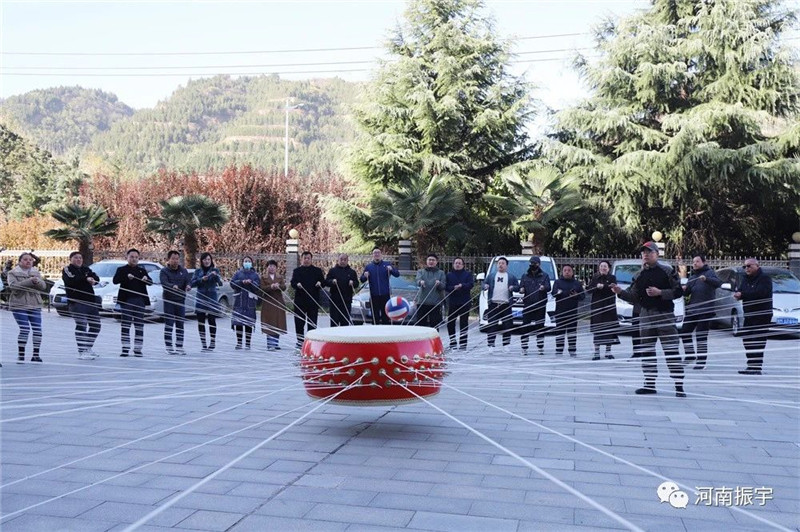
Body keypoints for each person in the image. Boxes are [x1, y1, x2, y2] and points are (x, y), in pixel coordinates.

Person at [612, 242, 686, 397]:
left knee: (671, 350)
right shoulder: (639, 275)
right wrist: (620, 292)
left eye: (649, 252)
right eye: (644, 253)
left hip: (664, 315)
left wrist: (661, 293)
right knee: (647, 351)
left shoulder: (667, 271)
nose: (646, 255)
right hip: (645, 316)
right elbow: (634, 297)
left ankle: (679, 385)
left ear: (656, 254)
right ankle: (649, 384)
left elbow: (678, 291)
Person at [680, 255, 721, 369]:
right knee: (684, 332)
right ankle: (690, 355)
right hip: (692, 309)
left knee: (701, 335)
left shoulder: (709, 273)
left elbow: (718, 283)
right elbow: (687, 293)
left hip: (705, 310)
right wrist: (684, 290)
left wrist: (706, 279)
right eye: (693, 262)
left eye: (697, 261)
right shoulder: (692, 276)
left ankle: (701, 361)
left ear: (704, 262)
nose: (695, 264)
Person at [734, 258, 772, 375]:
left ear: (757, 266)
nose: (747, 268)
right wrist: (738, 295)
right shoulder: (745, 279)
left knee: (758, 340)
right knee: (747, 340)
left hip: (761, 315)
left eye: (749, 266)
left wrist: (743, 294)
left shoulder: (764, 278)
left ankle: (756, 367)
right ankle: (750, 365)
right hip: (749, 314)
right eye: (745, 266)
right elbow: (741, 290)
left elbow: (760, 293)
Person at [8, 252, 46, 363]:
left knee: (37, 329)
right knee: (25, 329)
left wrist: (37, 282)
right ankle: (21, 355)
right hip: (19, 304)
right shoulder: (12, 273)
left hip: (35, 304)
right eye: (25, 259)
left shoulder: (35, 272)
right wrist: (30, 281)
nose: (28, 261)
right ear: (19, 261)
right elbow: (13, 286)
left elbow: (43, 286)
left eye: (30, 259)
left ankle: (36, 355)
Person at [113, 248, 152, 357]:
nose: (134, 259)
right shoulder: (121, 269)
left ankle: (138, 349)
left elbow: (150, 282)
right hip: (126, 300)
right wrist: (126, 277)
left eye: (136, 257)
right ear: (127, 257)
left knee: (139, 325)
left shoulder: (142, 270)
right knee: (126, 325)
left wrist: (146, 279)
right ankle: (125, 349)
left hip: (140, 300)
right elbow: (115, 281)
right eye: (132, 257)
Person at [62, 251, 102, 360]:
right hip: (76, 302)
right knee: (82, 325)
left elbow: (96, 278)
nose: (78, 260)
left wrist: (92, 279)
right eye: (76, 258)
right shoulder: (67, 269)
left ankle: (88, 347)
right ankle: (82, 350)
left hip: (90, 301)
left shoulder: (86, 269)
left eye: (80, 258)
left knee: (96, 326)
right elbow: (72, 280)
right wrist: (86, 279)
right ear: (71, 259)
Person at [290, 251, 325, 348]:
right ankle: (300, 341)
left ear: (311, 259)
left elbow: (323, 282)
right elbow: (293, 283)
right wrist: (297, 284)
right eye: (304, 258)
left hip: (313, 301)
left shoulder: (317, 271)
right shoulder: (297, 271)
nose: (306, 260)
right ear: (301, 259)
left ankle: (311, 341)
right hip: (300, 301)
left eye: (308, 258)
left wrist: (320, 283)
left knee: (312, 322)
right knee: (299, 322)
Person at [482, 257, 519, 349]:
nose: (500, 265)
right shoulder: (491, 276)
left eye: (503, 263)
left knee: (507, 325)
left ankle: (506, 345)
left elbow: (517, 287)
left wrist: (513, 288)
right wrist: (485, 286)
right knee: (492, 325)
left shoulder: (511, 276)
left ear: (506, 266)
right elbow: (483, 284)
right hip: (494, 304)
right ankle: (491, 345)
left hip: (506, 305)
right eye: (499, 263)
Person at [160, 250, 192, 355]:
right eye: (173, 259)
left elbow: (188, 281)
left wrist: (188, 286)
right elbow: (164, 283)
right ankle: (169, 346)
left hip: (180, 300)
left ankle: (179, 346)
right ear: (168, 260)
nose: (175, 261)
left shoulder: (184, 271)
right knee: (169, 324)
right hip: (169, 301)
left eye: (177, 259)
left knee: (180, 324)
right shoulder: (164, 271)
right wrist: (172, 286)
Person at [586, 260, 620, 360]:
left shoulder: (612, 278)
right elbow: (589, 289)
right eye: (601, 266)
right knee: (597, 330)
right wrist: (596, 287)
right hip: (597, 307)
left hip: (609, 307)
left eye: (605, 266)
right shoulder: (595, 277)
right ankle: (596, 352)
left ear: (608, 268)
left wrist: (604, 286)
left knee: (609, 330)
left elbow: (613, 289)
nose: (603, 268)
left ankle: (608, 352)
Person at [519, 256, 551, 356]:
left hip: (540, 305)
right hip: (527, 305)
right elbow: (521, 287)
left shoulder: (544, 275)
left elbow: (549, 288)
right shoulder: (525, 276)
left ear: (539, 264)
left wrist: (544, 287)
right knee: (525, 326)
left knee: (540, 326)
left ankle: (540, 347)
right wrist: (521, 290)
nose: (532, 265)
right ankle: (524, 347)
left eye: (534, 263)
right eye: (531, 263)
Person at [551, 264, 586, 357]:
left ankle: (572, 350)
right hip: (560, 311)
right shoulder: (558, 282)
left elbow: (582, 296)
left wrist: (576, 295)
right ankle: (559, 350)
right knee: (559, 332)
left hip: (572, 312)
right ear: (562, 272)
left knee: (572, 332)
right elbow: (553, 293)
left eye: (569, 270)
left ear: (572, 272)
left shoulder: (577, 283)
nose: (567, 272)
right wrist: (558, 293)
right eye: (565, 270)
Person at [191, 252, 223, 352]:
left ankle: (212, 342)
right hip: (201, 297)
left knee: (212, 320)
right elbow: (192, 283)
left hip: (212, 297)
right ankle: (203, 343)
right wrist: (201, 279)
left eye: (209, 259)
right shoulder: (197, 271)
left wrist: (216, 276)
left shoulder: (215, 270)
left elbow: (220, 283)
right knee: (201, 321)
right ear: (202, 261)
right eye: (205, 259)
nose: (207, 261)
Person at [359, 248, 400, 325]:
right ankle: (375, 331)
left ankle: (386, 331)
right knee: (375, 317)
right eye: (375, 253)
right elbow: (362, 280)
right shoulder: (369, 266)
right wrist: (365, 276)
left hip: (385, 295)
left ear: (381, 255)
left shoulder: (387, 264)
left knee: (386, 317)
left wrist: (391, 269)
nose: (377, 254)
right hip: (374, 295)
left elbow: (397, 274)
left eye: (378, 253)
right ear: (373, 255)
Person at [231, 256, 260, 350]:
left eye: (249, 261)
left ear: (251, 263)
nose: (247, 263)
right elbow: (232, 283)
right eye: (245, 261)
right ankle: (239, 342)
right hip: (239, 301)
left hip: (250, 302)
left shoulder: (255, 275)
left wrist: (251, 282)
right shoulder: (238, 273)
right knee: (238, 323)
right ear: (242, 263)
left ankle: (248, 343)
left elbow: (258, 286)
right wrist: (241, 282)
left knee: (248, 323)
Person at [446, 257, 474, 350]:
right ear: (453, 264)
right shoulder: (449, 275)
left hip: (464, 302)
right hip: (453, 301)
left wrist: (462, 285)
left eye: (459, 263)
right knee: (450, 323)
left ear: (463, 265)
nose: (457, 264)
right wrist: (453, 287)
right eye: (456, 263)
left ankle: (463, 344)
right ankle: (452, 342)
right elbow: (446, 287)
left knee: (463, 323)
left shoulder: (467, 274)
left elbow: (471, 284)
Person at [260, 259, 287, 350]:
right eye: (270, 266)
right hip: (268, 302)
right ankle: (270, 344)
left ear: (276, 268)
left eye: (273, 266)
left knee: (278, 322)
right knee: (269, 322)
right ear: (267, 267)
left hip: (278, 301)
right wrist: (270, 287)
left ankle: (276, 343)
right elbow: (261, 288)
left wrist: (279, 286)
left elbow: (284, 287)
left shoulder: (279, 277)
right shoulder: (263, 277)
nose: (272, 268)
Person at [325, 254, 358, 327]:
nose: (343, 261)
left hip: (346, 301)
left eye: (345, 260)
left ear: (347, 261)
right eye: (341, 259)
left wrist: (353, 283)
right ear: (338, 260)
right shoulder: (332, 271)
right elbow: (326, 282)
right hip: (335, 301)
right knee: (334, 322)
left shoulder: (352, 272)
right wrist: (332, 281)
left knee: (345, 322)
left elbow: (357, 284)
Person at [415, 254, 447, 330]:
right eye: (429, 260)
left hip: (435, 303)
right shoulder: (421, 271)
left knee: (435, 325)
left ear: (436, 262)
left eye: (433, 260)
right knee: (420, 325)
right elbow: (417, 281)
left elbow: (443, 286)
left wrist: (439, 283)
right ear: (426, 261)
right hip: (422, 302)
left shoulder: (441, 273)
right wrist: (420, 282)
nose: (431, 261)